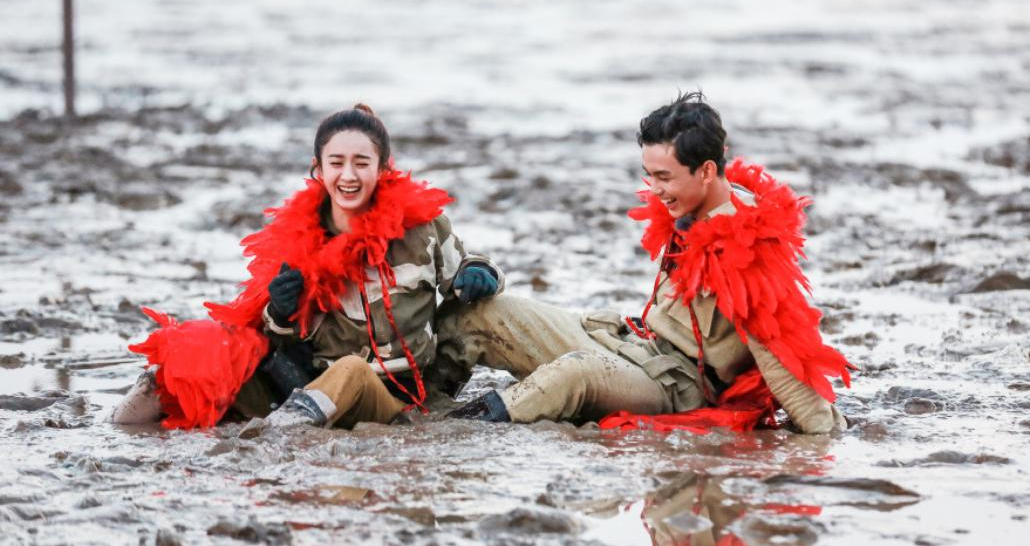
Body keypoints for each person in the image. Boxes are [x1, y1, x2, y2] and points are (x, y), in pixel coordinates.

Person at [436, 92, 853, 434]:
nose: (653, 189)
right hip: (631, 341)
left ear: (707, 171)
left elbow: (780, 355)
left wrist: (824, 434)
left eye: (664, 177)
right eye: (648, 175)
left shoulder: (749, 248)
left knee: (573, 374)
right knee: (480, 313)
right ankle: (416, 412)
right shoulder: (691, 209)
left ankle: (452, 433)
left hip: (675, 386)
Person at [115, 104, 502, 430]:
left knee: (353, 369)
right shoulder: (296, 239)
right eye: (336, 163)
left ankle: (285, 429)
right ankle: (119, 432)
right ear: (318, 169)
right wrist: (281, 311)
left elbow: (466, 266)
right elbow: (276, 335)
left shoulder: (422, 227)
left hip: (398, 397)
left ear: (383, 169)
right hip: (312, 386)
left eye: (361, 163)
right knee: (193, 355)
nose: (348, 175)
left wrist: (480, 274)